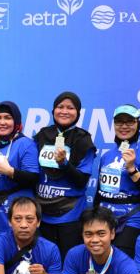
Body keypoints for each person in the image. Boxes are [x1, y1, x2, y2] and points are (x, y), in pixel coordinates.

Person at [34, 92, 96, 260]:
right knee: (43, 262)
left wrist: (64, 164)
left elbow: (81, 181)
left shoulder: (83, 140)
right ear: (53, 110)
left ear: (78, 113)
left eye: (70, 108)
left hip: (70, 215)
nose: (64, 111)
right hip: (42, 213)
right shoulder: (41, 135)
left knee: (68, 262)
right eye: (60, 107)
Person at [95, 104, 140, 258]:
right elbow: (99, 191)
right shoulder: (107, 155)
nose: (124, 126)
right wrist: (94, 215)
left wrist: (132, 169)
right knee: (101, 257)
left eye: (129, 122)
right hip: (105, 216)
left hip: (132, 217)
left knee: (121, 258)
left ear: (138, 124)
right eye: (119, 122)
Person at [0, 101, 39, 241]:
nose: (2, 122)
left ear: (16, 122)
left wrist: (9, 171)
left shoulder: (26, 144)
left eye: (7, 118)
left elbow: (33, 178)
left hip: (19, 223)